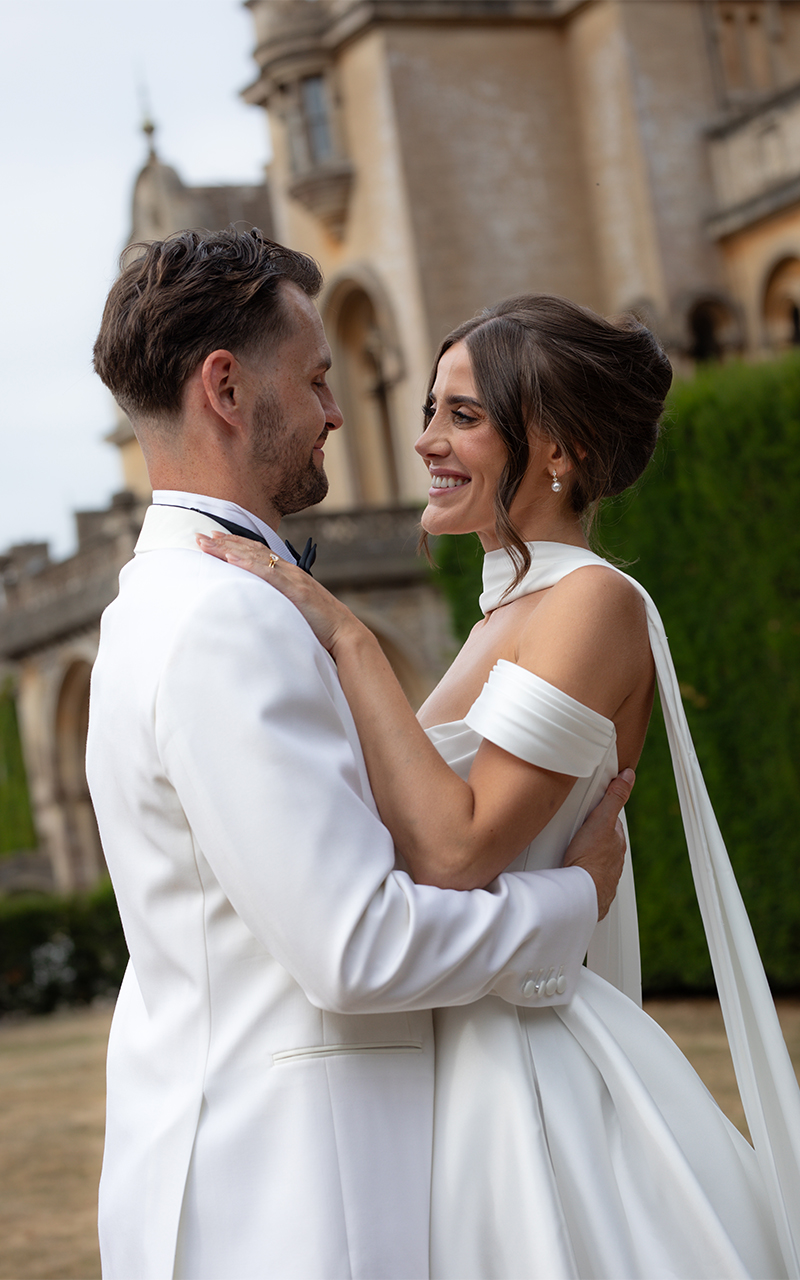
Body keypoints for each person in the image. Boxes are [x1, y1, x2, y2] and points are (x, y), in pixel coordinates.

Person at [202, 293, 800, 1279]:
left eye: (463, 415)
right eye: (431, 409)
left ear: (556, 448)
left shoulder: (590, 599)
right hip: (447, 1045)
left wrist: (345, 633)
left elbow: (456, 845)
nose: (426, 440)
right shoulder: (500, 616)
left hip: (528, 1074)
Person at [87, 230, 633, 1280]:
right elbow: (356, 948)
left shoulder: (162, 602)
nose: (340, 411)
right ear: (226, 388)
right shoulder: (223, 620)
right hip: (293, 1194)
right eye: (317, 377)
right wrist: (574, 897)